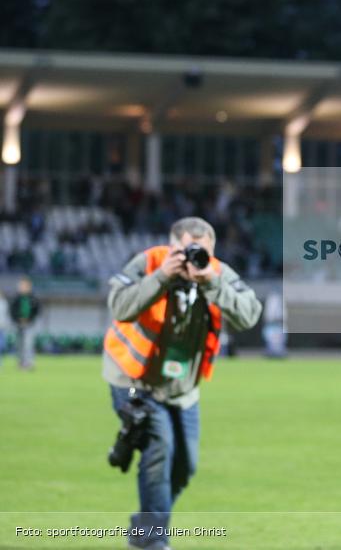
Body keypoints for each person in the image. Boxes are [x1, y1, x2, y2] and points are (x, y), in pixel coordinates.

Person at [103, 217, 261, 550]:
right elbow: (118, 305)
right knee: (159, 449)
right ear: (173, 246)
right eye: (188, 251)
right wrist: (162, 277)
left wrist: (212, 283)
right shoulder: (150, 262)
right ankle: (154, 540)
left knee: (185, 465)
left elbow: (249, 313)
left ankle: (145, 528)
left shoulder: (214, 271)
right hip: (135, 379)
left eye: (203, 252)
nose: (194, 259)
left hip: (182, 389)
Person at [10, 276, 40, 370]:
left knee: (28, 344)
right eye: (21, 286)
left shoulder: (33, 298)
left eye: (25, 286)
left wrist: (29, 319)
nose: (23, 287)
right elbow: (12, 311)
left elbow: (37, 311)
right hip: (18, 324)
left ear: (29, 286)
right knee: (19, 344)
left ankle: (29, 363)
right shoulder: (16, 298)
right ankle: (21, 362)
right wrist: (18, 319)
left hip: (30, 324)